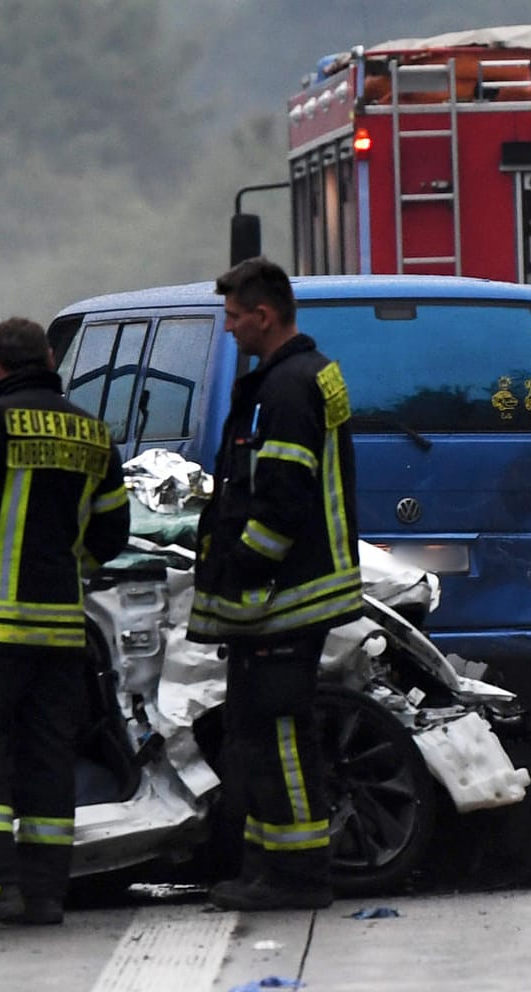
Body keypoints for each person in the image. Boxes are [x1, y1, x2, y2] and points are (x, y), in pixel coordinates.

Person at [0, 316, 130, 928]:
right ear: (51, 358)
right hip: (60, 627)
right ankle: (43, 893)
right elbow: (113, 531)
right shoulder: (92, 431)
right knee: (46, 754)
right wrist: (69, 567)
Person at [190, 257, 361, 912]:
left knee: (282, 732)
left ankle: (297, 874)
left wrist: (242, 572)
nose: (230, 330)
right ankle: (266, 866)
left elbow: (280, 503)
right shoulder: (309, 374)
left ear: (263, 315)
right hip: (298, 591)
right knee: (258, 731)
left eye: (234, 318)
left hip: (286, 596)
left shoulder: (288, 389)